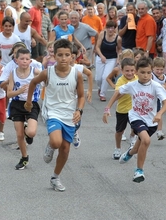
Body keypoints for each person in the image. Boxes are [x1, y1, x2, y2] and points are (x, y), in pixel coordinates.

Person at [25, 39, 85, 192]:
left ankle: (55, 177)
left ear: (72, 56)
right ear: (55, 56)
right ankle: (51, 146)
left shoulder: (76, 75)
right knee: (57, 142)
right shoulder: (48, 73)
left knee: (65, 149)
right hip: (52, 112)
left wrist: (79, 110)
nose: (63, 58)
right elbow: (32, 83)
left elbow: (81, 96)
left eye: (67, 55)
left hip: (69, 115)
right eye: (60, 55)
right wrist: (29, 101)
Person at [104, 57, 166, 183]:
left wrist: (159, 114)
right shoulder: (132, 85)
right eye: (143, 72)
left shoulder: (156, 86)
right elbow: (118, 93)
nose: (146, 75)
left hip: (151, 121)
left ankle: (129, 153)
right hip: (136, 117)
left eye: (149, 72)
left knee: (138, 147)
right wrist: (107, 108)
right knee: (146, 140)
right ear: (136, 72)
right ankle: (139, 171)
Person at [7, 48, 41, 170]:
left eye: (27, 59)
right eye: (22, 59)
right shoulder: (13, 73)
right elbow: (9, 94)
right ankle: (24, 157)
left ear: (30, 61)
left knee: (31, 132)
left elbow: (47, 80)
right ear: (16, 60)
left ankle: (28, 131)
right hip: (17, 104)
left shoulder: (36, 72)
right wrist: (19, 91)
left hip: (31, 104)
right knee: (19, 134)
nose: (24, 61)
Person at [103, 58, 137, 159]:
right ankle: (117, 148)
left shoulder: (138, 79)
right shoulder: (120, 81)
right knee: (120, 131)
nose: (130, 73)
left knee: (136, 128)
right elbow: (117, 94)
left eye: (132, 70)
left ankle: (132, 138)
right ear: (122, 71)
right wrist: (107, 108)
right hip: (122, 110)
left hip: (135, 110)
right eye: (127, 71)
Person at [94, 20, 122, 101]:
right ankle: (100, 88)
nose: (110, 30)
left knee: (105, 77)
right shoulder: (102, 34)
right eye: (108, 28)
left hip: (111, 59)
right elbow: (97, 47)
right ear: (106, 28)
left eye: (112, 28)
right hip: (100, 57)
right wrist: (101, 56)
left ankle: (103, 94)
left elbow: (119, 49)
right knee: (98, 78)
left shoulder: (118, 38)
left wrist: (118, 59)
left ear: (115, 29)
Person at [152, 57, 166, 140]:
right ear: (153, 68)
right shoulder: (151, 76)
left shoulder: (163, 77)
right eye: (157, 69)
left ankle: (159, 131)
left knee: (159, 113)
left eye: (161, 69)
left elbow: (164, 86)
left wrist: (165, 93)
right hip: (150, 98)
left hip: (158, 99)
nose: (159, 71)